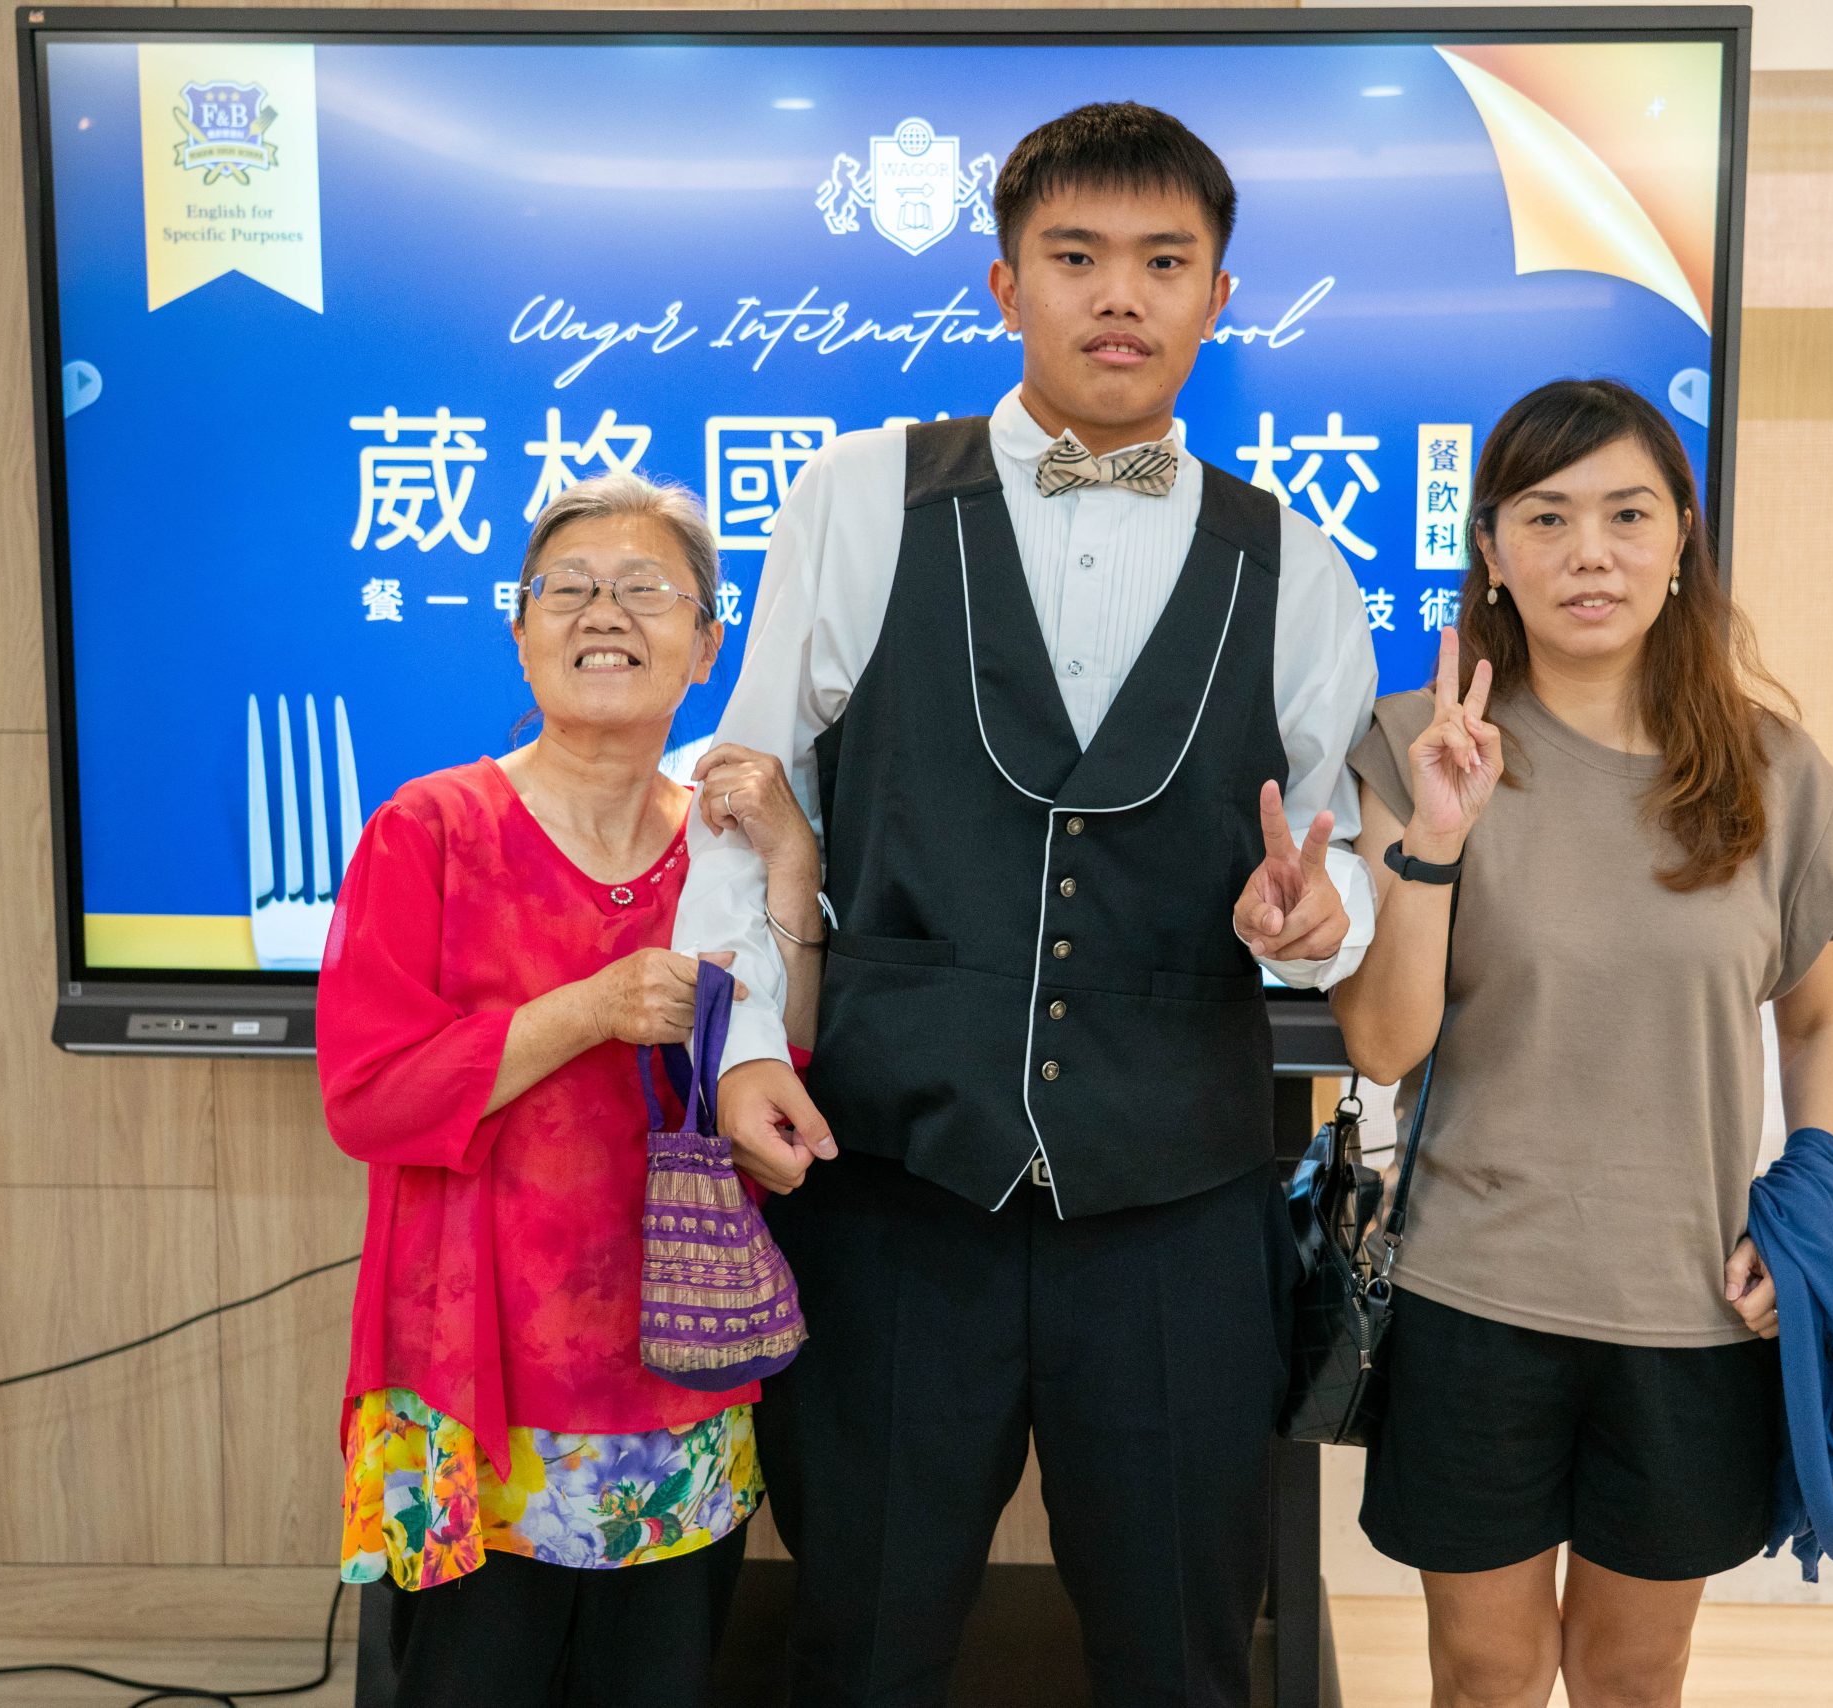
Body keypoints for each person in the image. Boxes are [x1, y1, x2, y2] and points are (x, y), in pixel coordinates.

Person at [671, 102, 1379, 1708]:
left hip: (1182, 1205)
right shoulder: (860, 496)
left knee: (1188, 1654)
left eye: (1164, 262)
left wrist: (1317, 916)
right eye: (1076, 257)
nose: (1119, 295)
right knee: (863, 1646)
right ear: (1004, 284)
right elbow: (745, 800)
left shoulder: (1296, 564)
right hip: (894, 1183)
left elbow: (1332, 853)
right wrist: (743, 1047)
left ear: (1219, 297)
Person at [1333, 379, 1833, 1708]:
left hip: (1691, 1307)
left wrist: (1808, 1198)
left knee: (1634, 1674)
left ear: (1682, 537)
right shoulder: (1418, 745)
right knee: (1486, 1672)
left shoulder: (1769, 773)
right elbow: (1385, 1044)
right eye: (1548, 516)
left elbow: (1817, 1017)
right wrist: (1440, 838)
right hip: (1472, 1294)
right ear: (1491, 549)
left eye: (1628, 514)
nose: (1591, 552)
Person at [317, 472, 824, 1708]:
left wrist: (794, 869)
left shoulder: (724, 850)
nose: (606, 611)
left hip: (680, 1368)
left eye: (647, 589)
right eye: (570, 588)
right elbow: (368, 1098)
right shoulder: (430, 828)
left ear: (706, 646)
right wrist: (590, 1010)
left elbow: (785, 1092)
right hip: (478, 1386)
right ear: (520, 630)